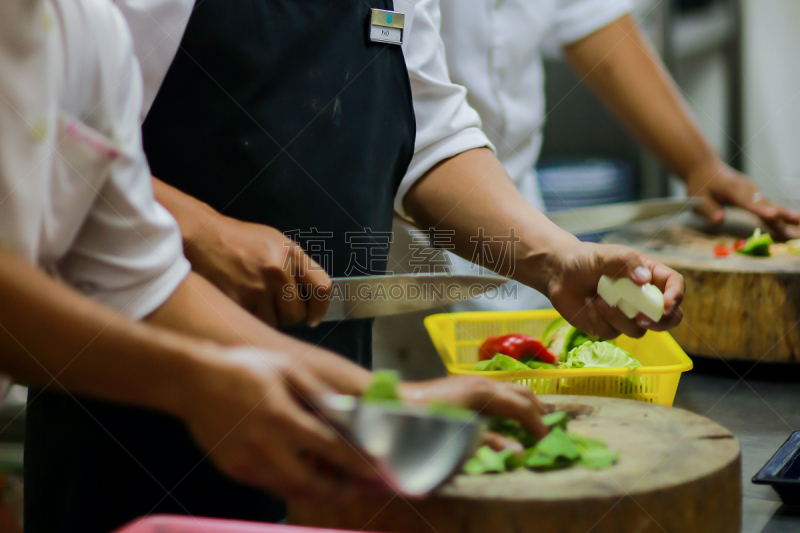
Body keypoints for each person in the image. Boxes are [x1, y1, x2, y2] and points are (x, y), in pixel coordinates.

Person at [23, 0, 685, 531]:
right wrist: (202, 237)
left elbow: (431, 127)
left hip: (312, 395)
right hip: (124, 415)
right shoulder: (71, 24)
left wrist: (373, 404)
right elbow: (75, 191)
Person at [434, 0, 800, 312]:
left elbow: (593, 16)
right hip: (412, 251)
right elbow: (429, 134)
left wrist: (700, 164)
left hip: (523, 232)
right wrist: (556, 259)